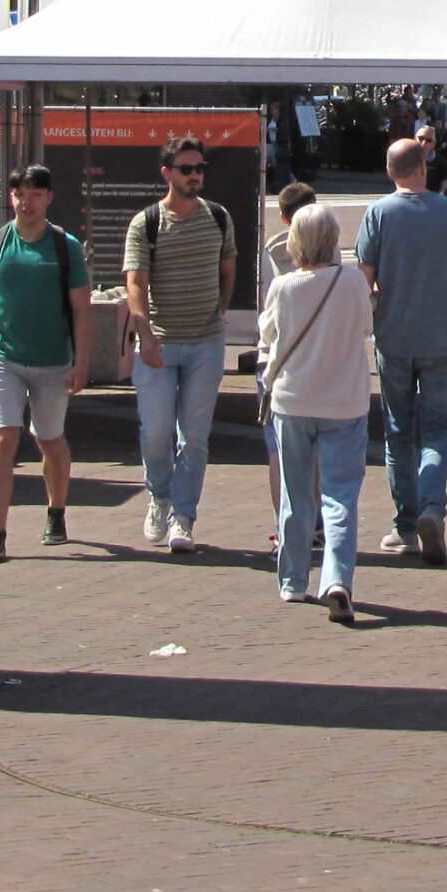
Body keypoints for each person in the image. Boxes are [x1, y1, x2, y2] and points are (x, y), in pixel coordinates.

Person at [354, 138, 447, 565]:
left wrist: (376, 317)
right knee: (439, 430)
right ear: (424, 166)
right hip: (443, 335)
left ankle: (406, 525)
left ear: (390, 173)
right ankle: (431, 506)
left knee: (398, 431)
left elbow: (364, 280)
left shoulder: (378, 215)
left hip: (394, 336)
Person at [124, 137, 237, 555]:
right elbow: (135, 282)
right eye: (186, 169)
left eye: (200, 168)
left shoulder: (220, 218)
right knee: (155, 433)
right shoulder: (147, 222)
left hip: (206, 344)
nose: (195, 176)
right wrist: (145, 332)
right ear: (167, 173)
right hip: (160, 343)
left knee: (194, 436)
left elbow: (229, 269)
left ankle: (183, 516)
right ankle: (159, 495)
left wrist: (220, 310)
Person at [0, 165, 92, 562]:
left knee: (48, 439)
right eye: (20, 194)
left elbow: (81, 309)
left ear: (49, 198)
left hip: (53, 361)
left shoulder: (65, 246)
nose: (27, 202)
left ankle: (56, 511)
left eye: (35, 194)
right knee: (4, 437)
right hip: (4, 358)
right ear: (10, 198)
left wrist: (81, 362)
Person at [260, 203, 372, 623]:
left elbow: (269, 336)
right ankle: (337, 579)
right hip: (345, 400)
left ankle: (292, 580)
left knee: (296, 491)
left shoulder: (283, 287)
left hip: (294, 399)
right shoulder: (353, 282)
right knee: (340, 494)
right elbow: (365, 328)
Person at [258, 182, 323, 539]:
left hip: (279, 362)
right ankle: (315, 522)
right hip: (317, 357)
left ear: (282, 217)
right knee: (315, 447)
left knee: (278, 449)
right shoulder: (331, 257)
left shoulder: (269, 254)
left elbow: (265, 320)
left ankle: (286, 523)